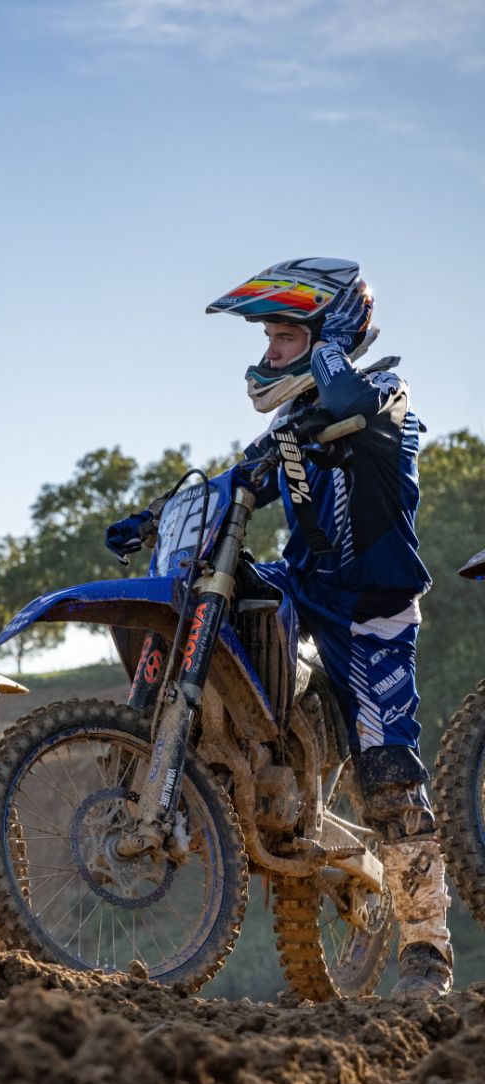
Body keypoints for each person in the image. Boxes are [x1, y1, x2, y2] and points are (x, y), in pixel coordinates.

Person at [111, 256, 452, 995]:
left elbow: (360, 409)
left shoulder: (385, 393)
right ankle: (186, 750)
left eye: (283, 337)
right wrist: (152, 518)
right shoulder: (293, 423)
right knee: (211, 594)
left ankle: (426, 941)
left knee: (387, 766)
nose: (266, 354)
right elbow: (243, 477)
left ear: (327, 336)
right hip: (305, 586)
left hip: (370, 604)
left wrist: (329, 364)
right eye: (266, 338)